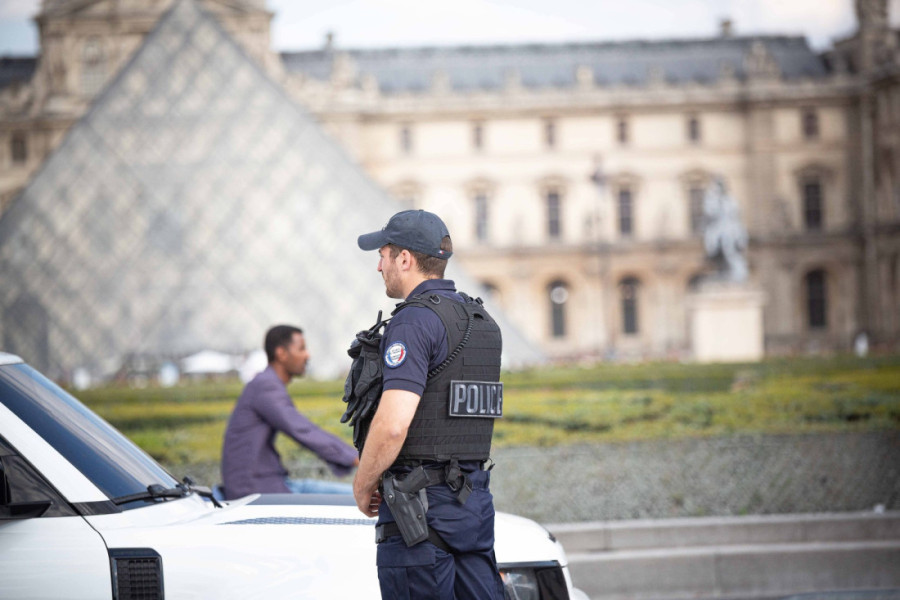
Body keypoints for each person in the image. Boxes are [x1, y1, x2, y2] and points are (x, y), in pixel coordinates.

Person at [352, 209, 505, 599]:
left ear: (404, 259)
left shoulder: (414, 321)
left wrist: (363, 484)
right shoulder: (482, 321)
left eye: (383, 255)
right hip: (472, 507)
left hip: (417, 515)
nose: (379, 266)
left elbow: (393, 424)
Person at [221, 325, 359, 500]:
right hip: (254, 490)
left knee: (353, 495)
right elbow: (302, 429)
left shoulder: (265, 383)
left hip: (269, 482)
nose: (307, 355)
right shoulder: (266, 386)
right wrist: (357, 458)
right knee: (357, 500)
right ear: (281, 353)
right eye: (301, 349)